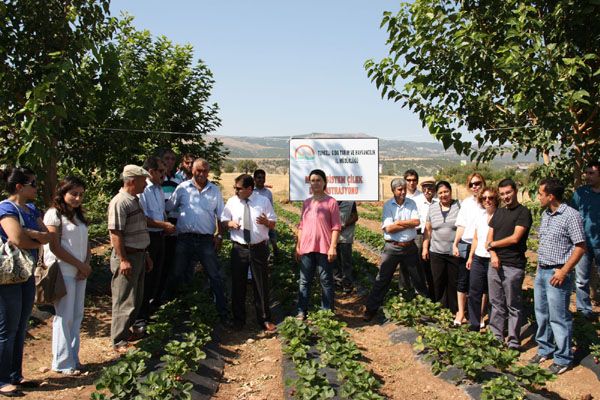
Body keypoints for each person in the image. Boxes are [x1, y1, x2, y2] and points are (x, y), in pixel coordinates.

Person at [0, 167, 51, 396]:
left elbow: (48, 234)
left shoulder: (30, 208)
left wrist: (33, 236)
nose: (37, 187)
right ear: (19, 187)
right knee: (7, 329)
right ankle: (1, 380)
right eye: (33, 183)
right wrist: (35, 238)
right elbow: (16, 238)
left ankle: (15, 375)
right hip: (8, 276)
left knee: (20, 326)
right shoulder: (5, 208)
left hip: (26, 273)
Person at [530, 178, 585, 375]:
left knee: (559, 317)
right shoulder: (546, 215)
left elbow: (580, 246)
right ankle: (545, 349)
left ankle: (563, 358)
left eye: (540, 193)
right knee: (541, 313)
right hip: (542, 270)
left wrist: (564, 271)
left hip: (558, 273)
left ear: (550, 196)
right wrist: (538, 268)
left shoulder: (571, 215)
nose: (538, 197)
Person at [164, 159, 228, 323]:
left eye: (205, 171)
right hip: (184, 239)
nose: (201, 173)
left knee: (214, 275)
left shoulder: (214, 190)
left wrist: (219, 236)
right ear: (192, 170)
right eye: (198, 170)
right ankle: (167, 309)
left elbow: (222, 216)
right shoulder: (182, 188)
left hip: (206, 240)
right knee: (177, 273)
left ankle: (222, 311)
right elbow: (168, 208)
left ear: (209, 172)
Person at [44, 176, 91, 376]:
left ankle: (73, 357)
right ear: (63, 193)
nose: (77, 198)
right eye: (73, 194)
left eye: (80, 194)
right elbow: (55, 247)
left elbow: (86, 244)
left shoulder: (79, 217)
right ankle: (62, 361)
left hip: (80, 272)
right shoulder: (53, 215)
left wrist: (86, 265)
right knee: (64, 316)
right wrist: (79, 264)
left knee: (77, 315)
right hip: (63, 271)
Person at [363, 178, 428, 321]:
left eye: (404, 189)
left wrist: (398, 222)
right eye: (400, 189)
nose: (403, 191)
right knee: (382, 278)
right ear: (393, 191)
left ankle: (426, 310)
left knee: (418, 279)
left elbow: (416, 222)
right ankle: (371, 309)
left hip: (409, 247)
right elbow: (389, 228)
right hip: (392, 247)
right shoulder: (388, 205)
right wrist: (405, 224)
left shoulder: (411, 203)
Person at [221, 174, 277, 332]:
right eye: (235, 188)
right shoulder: (232, 202)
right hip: (239, 249)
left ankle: (265, 319)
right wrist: (230, 223)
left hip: (258, 248)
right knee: (238, 285)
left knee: (261, 284)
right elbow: (224, 219)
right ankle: (238, 319)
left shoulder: (263, 202)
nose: (236, 190)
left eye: (238, 188)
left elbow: (273, 223)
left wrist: (267, 222)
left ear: (249, 189)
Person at [108, 165, 153, 353]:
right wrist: (123, 259)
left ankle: (128, 333)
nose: (146, 184)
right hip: (128, 257)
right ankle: (118, 340)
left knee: (136, 297)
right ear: (132, 181)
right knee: (124, 299)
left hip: (139, 255)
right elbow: (115, 233)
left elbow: (140, 228)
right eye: (143, 181)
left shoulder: (134, 200)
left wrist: (146, 254)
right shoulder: (120, 202)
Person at [486, 178, 532, 350]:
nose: (506, 197)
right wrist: (492, 254)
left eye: (508, 193)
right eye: (503, 193)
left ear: (515, 191)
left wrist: (493, 246)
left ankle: (513, 340)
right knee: (496, 303)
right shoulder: (498, 213)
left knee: (513, 305)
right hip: (495, 264)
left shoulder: (523, 213)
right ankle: (496, 337)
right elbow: (488, 239)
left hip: (513, 266)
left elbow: (515, 238)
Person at [295, 169, 341, 319]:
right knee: (304, 281)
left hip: (324, 247)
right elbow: (301, 225)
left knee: (326, 280)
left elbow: (336, 227)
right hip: (306, 247)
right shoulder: (307, 202)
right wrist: (298, 245)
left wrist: (333, 247)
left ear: (324, 182)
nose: (315, 183)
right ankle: (302, 311)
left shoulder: (331, 202)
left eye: (318, 180)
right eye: (313, 180)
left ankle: (326, 312)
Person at [137, 157, 176, 326]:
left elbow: (161, 213)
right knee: (146, 278)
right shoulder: (143, 190)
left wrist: (165, 224)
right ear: (150, 172)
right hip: (148, 239)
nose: (164, 174)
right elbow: (142, 219)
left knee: (156, 278)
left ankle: (148, 312)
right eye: (161, 171)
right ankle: (139, 318)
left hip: (160, 237)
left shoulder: (159, 190)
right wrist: (163, 225)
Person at [422, 181, 461, 316]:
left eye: (446, 192)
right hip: (436, 252)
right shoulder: (432, 208)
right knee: (437, 281)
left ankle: (453, 310)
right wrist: (425, 248)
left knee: (453, 282)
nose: (443, 195)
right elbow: (428, 230)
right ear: (437, 195)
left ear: (450, 192)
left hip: (453, 252)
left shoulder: (459, 206)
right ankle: (439, 308)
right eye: (440, 193)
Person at [452, 173, 487, 325]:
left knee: (481, 283)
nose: (475, 186)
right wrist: (455, 243)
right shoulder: (466, 203)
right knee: (462, 281)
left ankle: (478, 315)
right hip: (466, 245)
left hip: (482, 247)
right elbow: (461, 225)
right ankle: (461, 313)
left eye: (478, 183)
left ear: (483, 183)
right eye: (472, 184)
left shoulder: (488, 201)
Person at [466, 186, 498, 331]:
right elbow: (476, 237)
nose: (487, 200)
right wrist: (471, 256)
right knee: (474, 291)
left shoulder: (501, 216)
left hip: (492, 259)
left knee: (493, 294)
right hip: (478, 258)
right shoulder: (480, 215)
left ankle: (494, 325)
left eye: (490, 198)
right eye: (484, 198)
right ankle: (474, 324)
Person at [571, 161, 600, 319]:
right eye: (586, 173)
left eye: (591, 173)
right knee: (581, 280)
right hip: (583, 244)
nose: (587, 176)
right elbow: (572, 216)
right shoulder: (580, 193)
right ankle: (584, 313)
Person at [158, 149, 184, 305]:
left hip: (174, 225)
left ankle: (167, 295)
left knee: (171, 260)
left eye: (172, 159)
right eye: (166, 158)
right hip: (159, 225)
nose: (169, 162)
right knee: (159, 261)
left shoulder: (179, 180)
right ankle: (157, 294)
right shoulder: (155, 181)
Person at [416, 179, 437, 297]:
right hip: (420, 236)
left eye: (430, 188)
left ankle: (433, 292)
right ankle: (421, 293)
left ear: (434, 189)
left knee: (432, 266)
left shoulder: (438, 202)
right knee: (420, 264)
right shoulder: (417, 202)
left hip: (435, 237)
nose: (427, 191)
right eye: (425, 188)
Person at [253, 169, 279, 257]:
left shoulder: (268, 193)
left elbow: (271, 207)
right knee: (261, 241)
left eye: (263, 178)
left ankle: (276, 254)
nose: (261, 180)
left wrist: (268, 220)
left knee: (273, 238)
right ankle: (265, 257)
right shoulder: (251, 191)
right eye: (259, 178)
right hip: (256, 221)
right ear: (254, 179)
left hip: (267, 220)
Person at [334, 201, 358, 294]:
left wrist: (343, 224)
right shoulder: (329, 200)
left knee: (346, 261)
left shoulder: (350, 202)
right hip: (332, 237)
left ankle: (347, 284)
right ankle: (337, 283)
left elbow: (355, 216)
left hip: (345, 237)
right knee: (334, 261)